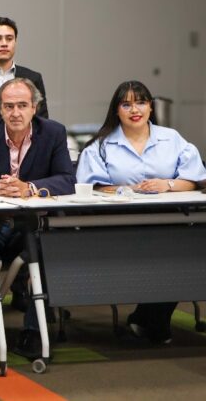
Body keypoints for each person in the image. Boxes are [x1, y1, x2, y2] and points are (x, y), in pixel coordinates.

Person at [77, 80, 206, 344]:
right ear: (116, 110)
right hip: (120, 222)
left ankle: (148, 319)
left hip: (171, 221)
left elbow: (194, 179)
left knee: (181, 254)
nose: (134, 110)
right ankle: (149, 321)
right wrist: (126, 190)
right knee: (161, 253)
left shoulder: (172, 138)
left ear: (150, 107)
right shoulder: (101, 145)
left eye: (141, 103)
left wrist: (167, 185)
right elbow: (93, 185)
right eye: (126, 104)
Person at [0, 77, 74, 359]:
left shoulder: (54, 132)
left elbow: (67, 180)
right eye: (9, 106)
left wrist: (29, 188)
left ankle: (33, 332)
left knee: (48, 249)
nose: (15, 113)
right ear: (0, 109)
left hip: (33, 224)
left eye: (22, 105)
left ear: (35, 107)